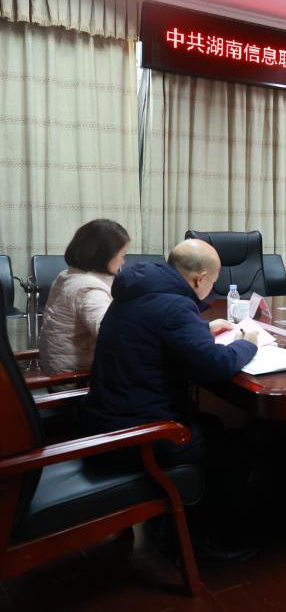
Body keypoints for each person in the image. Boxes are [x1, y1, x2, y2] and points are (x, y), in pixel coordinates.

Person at [80, 239, 260, 563]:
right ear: (199, 279)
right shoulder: (175, 306)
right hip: (136, 436)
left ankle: (171, 521)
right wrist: (248, 343)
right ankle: (201, 539)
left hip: (106, 420)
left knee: (213, 425)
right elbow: (215, 366)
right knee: (230, 447)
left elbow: (156, 331)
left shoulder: (137, 292)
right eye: (212, 282)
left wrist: (201, 329)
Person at [38, 219, 130, 375]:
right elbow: (112, 337)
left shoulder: (67, 276)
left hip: (58, 367)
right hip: (75, 378)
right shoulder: (89, 290)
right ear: (104, 255)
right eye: (122, 255)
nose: (123, 262)